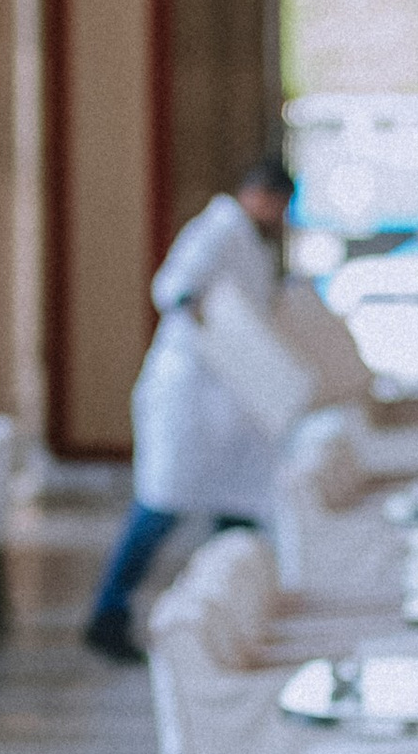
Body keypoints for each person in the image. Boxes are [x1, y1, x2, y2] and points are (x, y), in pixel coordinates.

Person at [85, 157, 298, 663]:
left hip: (224, 406)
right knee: (159, 509)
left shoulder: (245, 240)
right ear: (261, 196)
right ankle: (108, 614)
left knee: (236, 510)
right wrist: (215, 318)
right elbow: (173, 289)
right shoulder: (218, 231)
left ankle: (230, 623)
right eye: (280, 206)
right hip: (188, 399)